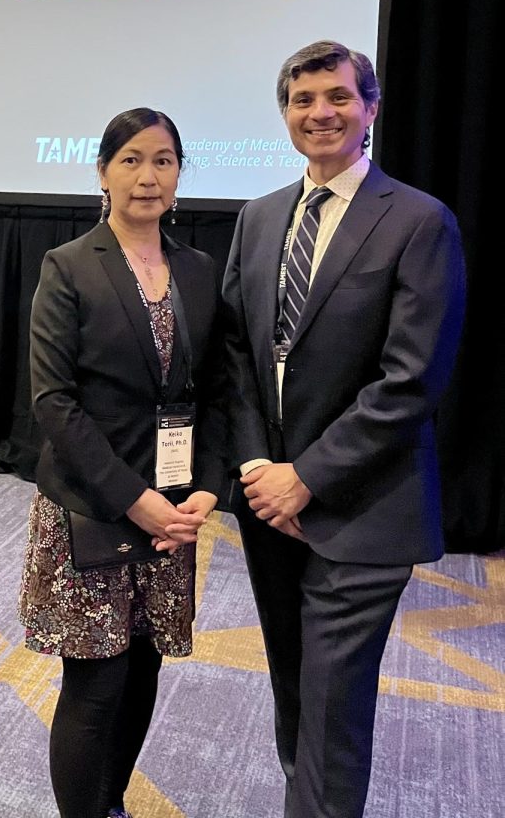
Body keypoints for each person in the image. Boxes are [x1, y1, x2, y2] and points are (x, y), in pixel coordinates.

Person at [222, 40, 466, 818]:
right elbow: (234, 356)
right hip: (270, 503)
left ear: (370, 108)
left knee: (332, 711)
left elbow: (412, 381)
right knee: (295, 689)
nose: (319, 113)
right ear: (285, 114)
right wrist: (261, 464)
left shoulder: (419, 221)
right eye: (302, 100)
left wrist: (308, 476)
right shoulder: (260, 219)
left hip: (364, 507)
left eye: (337, 97)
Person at [19, 107, 228, 818]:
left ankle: (109, 804)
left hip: (172, 512)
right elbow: (54, 402)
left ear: (179, 175)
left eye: (164, 160)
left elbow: (219, 392)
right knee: (96, 683)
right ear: (103, 172)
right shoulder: (71, 266)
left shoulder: (199, 271)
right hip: (93, 507)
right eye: (132, 159)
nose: (148, 176)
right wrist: (133, 498)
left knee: (143, 670)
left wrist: (207, 487)